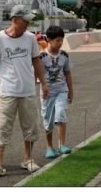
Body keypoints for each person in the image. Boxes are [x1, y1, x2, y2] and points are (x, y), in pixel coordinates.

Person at [0, 4, 49, 179]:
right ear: (15, 20)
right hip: (7, 91)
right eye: (25, 21)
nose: (28, 25)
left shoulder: (30, 38)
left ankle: (28, 158)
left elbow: (36, 61)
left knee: (30, 126)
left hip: (28, 90)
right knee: (2, 128)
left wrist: (43, 83)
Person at [39, 26, 73, 159]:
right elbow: (38, 74)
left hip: (61, 90)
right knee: (48, 119)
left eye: (61, 40)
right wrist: (42, 87)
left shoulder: (64, 55)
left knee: (61, 114)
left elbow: (67, 73)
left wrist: (70, 91)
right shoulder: (41, 57)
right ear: (49, 40)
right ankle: (49, 147)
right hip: (47, 93)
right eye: (57, 40)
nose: (60, 43)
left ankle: (62, 144)